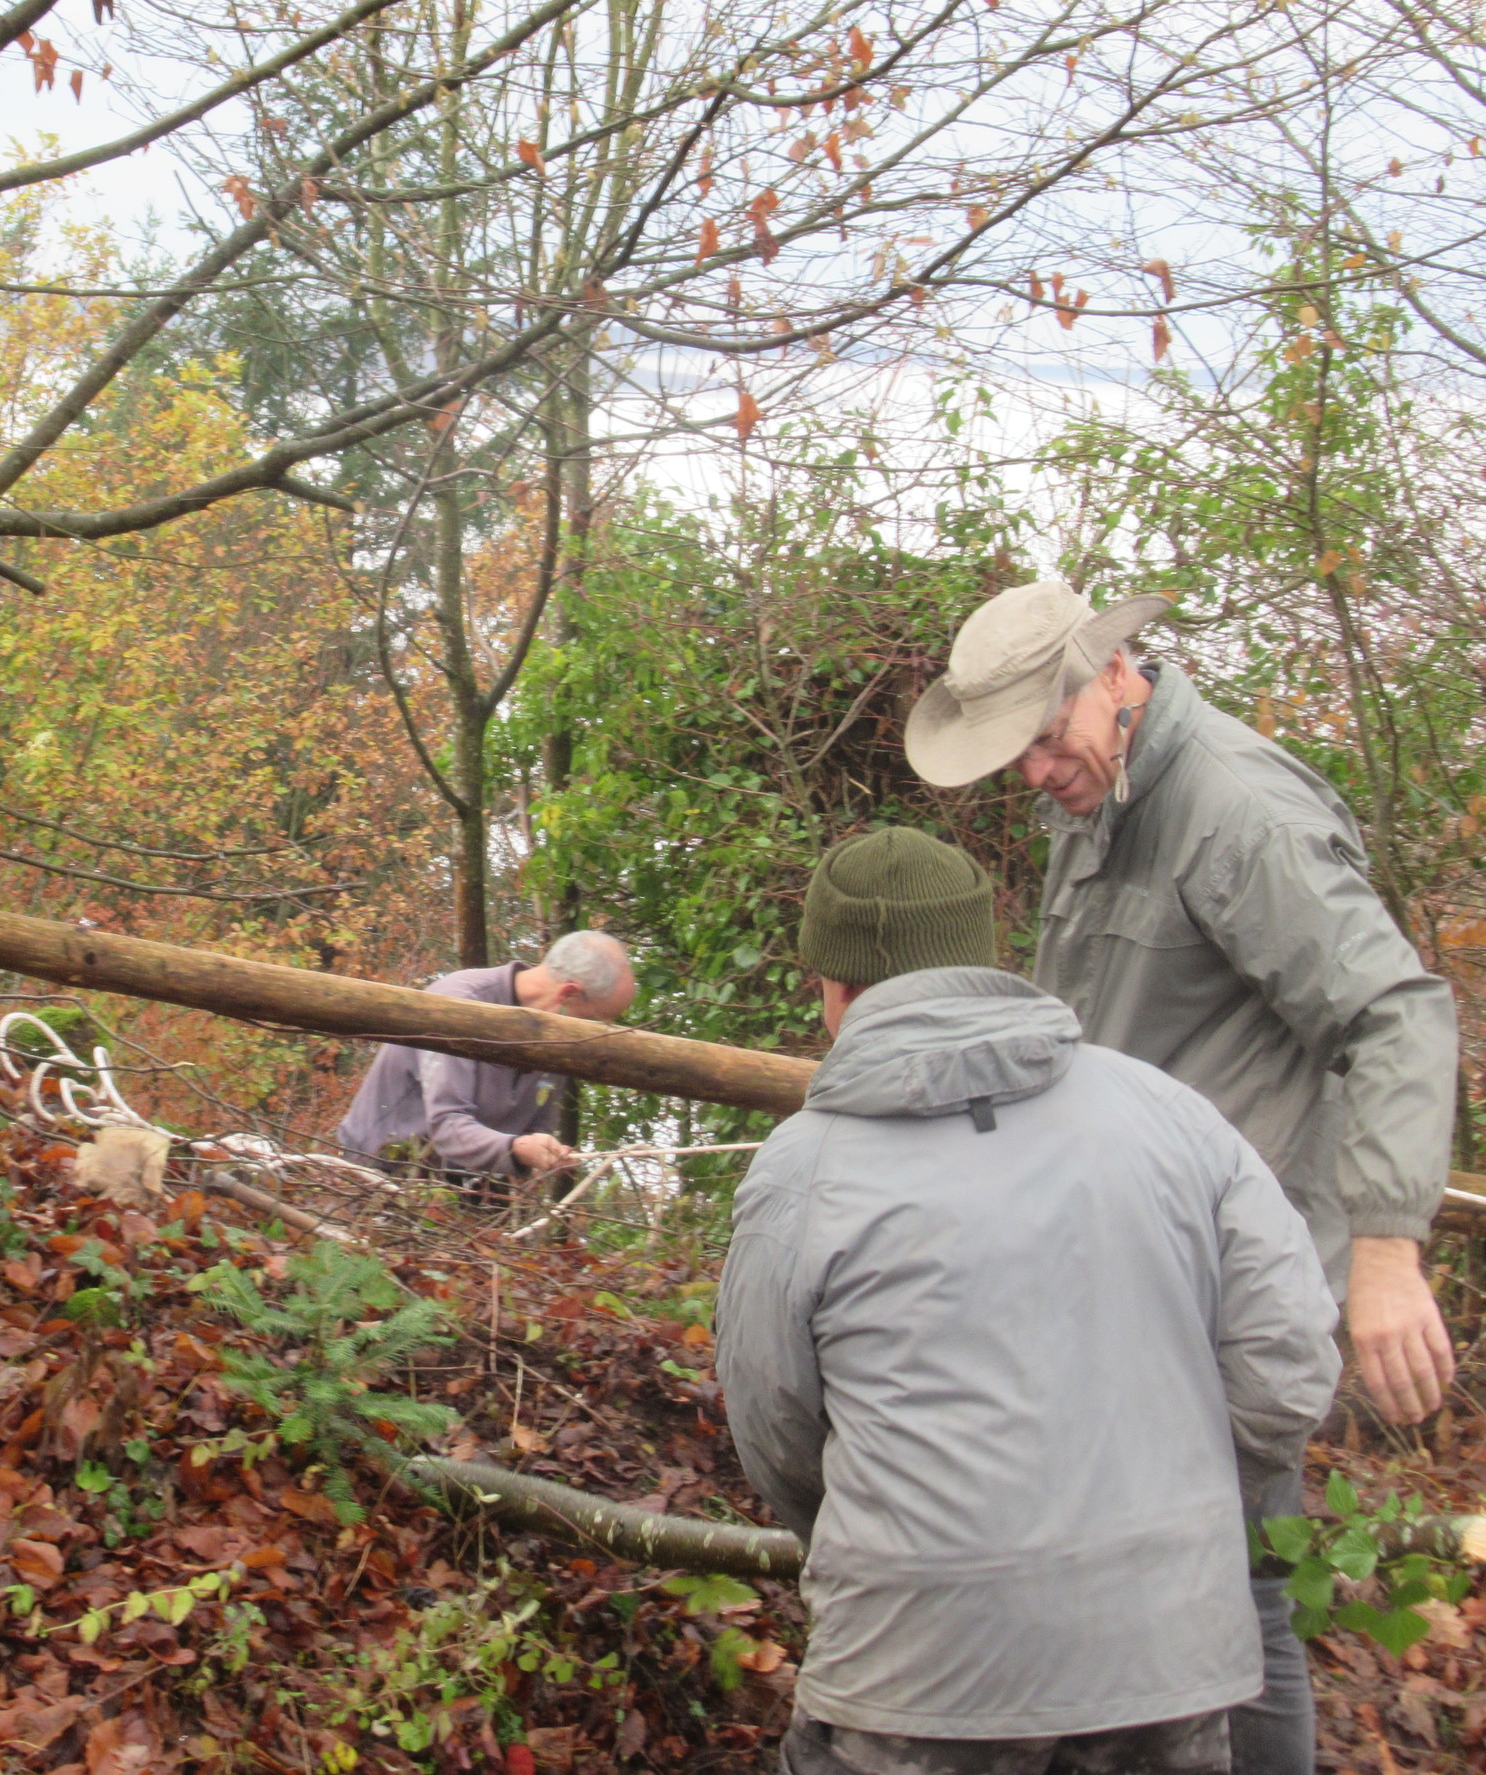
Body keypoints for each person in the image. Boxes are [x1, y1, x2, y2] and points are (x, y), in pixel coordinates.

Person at [905, 580, 1458, 1775]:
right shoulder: (1098, 796)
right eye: (1015, 755)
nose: (1035, 772)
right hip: (1120, 1268)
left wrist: (1384, 1249)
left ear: (1114, 673)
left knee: (1238, 1599)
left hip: (1225, 1293)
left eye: (1046, 737)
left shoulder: (1237, 814)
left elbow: (1396, 1017)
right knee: (1132, 1589)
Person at [717, 827, 1340, 1775]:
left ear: (833, 990)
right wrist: (1192, 1505)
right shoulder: (1170, 1115)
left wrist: (874, 1533)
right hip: (1165, 1652)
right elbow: (1288, 1366)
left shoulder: (800, 1170)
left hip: (917, 1667)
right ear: (987, 962)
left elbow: (772, 1422)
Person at [334, 931, 636, 1178]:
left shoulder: (560, 1034)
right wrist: (516, 1149)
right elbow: (447, 1126)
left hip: (462, 1192)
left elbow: (537, 1126)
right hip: (377, 1175)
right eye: (596, 1021)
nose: (597, 1035)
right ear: (568, 994)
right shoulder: (459, 1004)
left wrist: (544, 1152)